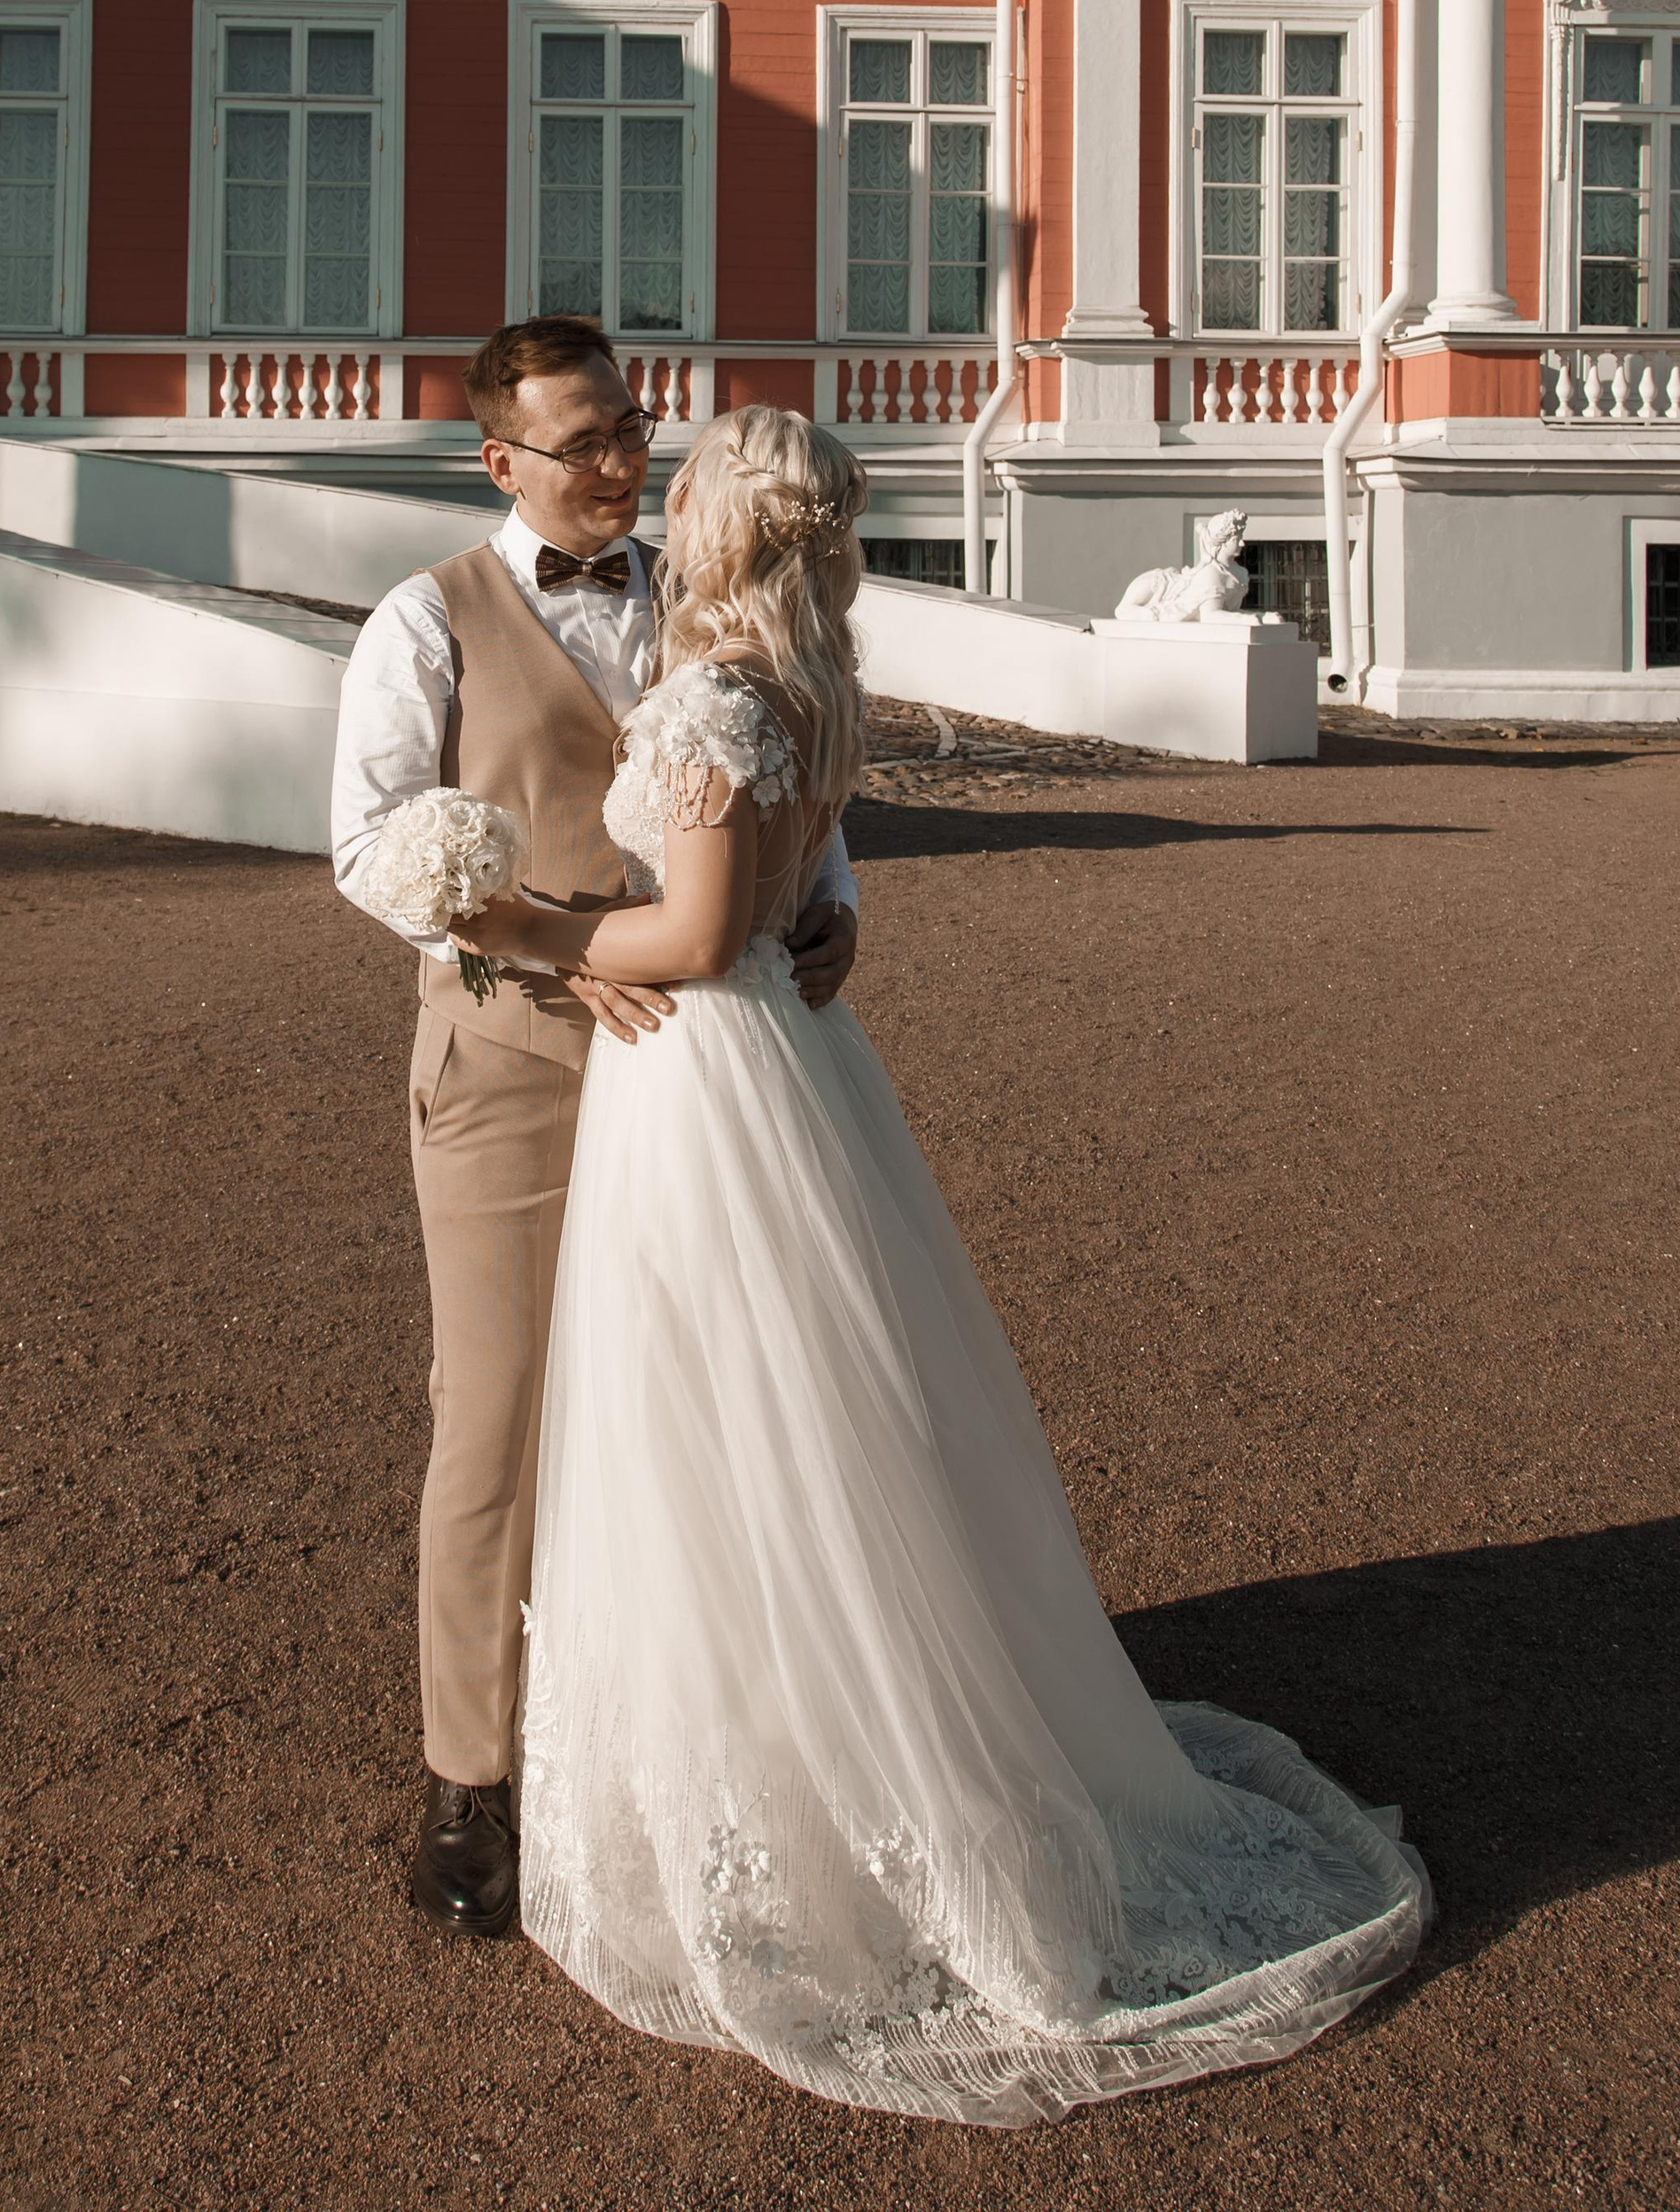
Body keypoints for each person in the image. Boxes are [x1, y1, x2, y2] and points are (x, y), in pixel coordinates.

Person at [454, 403, 1428, 2125]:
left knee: (720, 1416)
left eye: (684, 494)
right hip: (793, 1062)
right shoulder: (814, 687)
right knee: (823, 1407)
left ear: (719, 529)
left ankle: (810, 1791)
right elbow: (782, 896)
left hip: (697, 1075)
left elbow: (681, 936)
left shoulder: (707, 696)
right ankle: (832, 1729)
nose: (661, 507)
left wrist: (520, 928)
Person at [330, 321, 859, 1941]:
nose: (625, 463)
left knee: (708, 1409)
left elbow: (778, 777)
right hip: (507, 1069)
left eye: (632, 429)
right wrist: (509, 941)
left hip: (703, 1074)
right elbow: (364, 846)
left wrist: (829, 905)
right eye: (585, 444)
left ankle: (700, 1748)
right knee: (493, 1422)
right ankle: (470, 1783)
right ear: (501, 462)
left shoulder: (697, 594)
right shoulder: (426, 620)